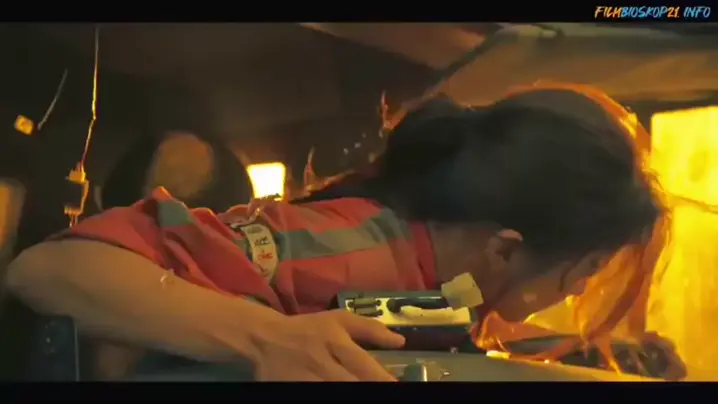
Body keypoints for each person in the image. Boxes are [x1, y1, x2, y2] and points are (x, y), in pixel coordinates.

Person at [5, 82, 668, 381]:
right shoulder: (348, 246)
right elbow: (48, 270)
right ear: (506, 248)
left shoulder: (443, 282)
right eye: (587, 268)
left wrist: (588, 356)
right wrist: (266, 339)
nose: (582, 289)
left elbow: (431, 326)